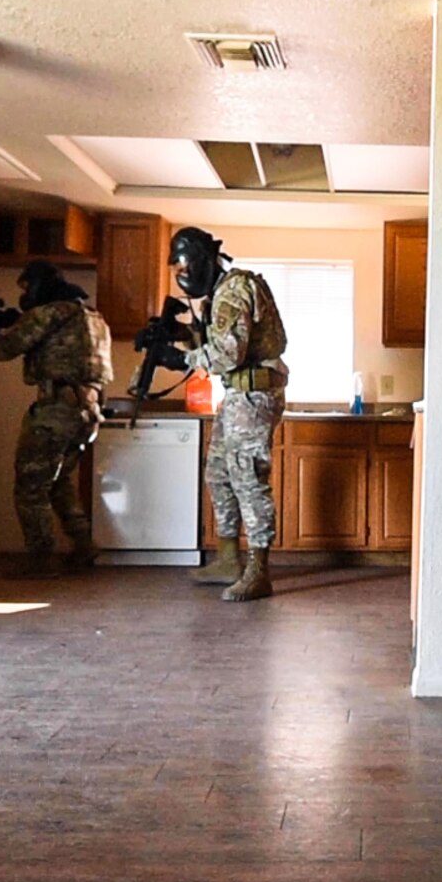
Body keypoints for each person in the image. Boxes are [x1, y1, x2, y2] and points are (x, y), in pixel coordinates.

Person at [147, 227, 288, 602]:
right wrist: (179, 336)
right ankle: (229, 558)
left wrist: (180, 360)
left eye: (183, 262)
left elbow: (227, 353)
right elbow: (217, 344)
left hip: (253, 394)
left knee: (247, 478)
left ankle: (259, 570)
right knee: (219, 474)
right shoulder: (220, 295)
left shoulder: (234, 290)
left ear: (202, 259)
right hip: (238, 395)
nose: (181, 271)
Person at [0, 260, 112, 579]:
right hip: (88, 412)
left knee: (30, 485)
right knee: (59, 482)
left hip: (56, 410)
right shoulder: (93, 317)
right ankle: (83, 545)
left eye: (26, 288)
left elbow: (5, 348)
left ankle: (40, 559)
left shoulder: (48, 313)